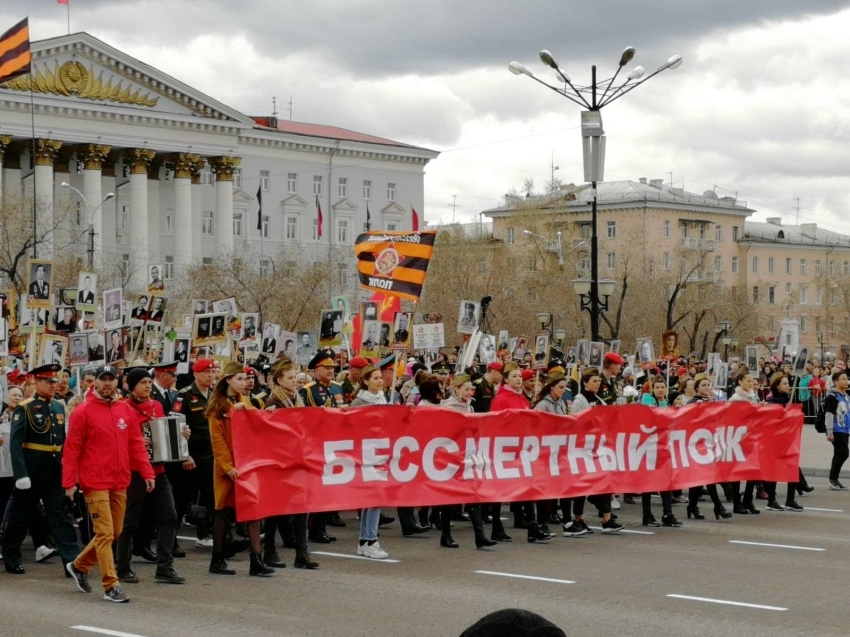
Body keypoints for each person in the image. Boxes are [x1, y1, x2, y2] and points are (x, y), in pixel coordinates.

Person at [63, 364, 154, 603]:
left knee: (114, 532)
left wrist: (147, 471)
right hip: (94, 481)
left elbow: (136, 444)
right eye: (102, 379)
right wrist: (69, 481)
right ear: (95, 383)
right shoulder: (82, 412)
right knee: (104, 533)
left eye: (110, 379)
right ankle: (111, 585)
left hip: (120, 480)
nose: (106, 383)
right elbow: (71, 449)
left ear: (117, 382)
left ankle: (80, 566)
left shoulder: (125, 410)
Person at [2, 365, 80, 576]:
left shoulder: (58, 406)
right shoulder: (25, 407)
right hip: (32, 469)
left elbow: (63, 441)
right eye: (48, 381)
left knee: (59, 514)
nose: (53, 386)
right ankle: (11, 555)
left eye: (55, 382)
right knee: (21, 515)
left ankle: (71, 562)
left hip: (53, 470)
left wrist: (69, 470)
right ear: (36, 382)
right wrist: (21, 474)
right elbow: (16, 442)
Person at [115, 367, 188, 585]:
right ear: (131, 386)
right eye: (142, 382)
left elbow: (166, 432)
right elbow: (117, 439)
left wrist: (182, 435)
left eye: (149, 382)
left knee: (170, 516)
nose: (147, 385)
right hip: (134, 472)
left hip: (158, 470)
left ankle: (164, 567)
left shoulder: (156, 405)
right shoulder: (122, 407)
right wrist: (135, 441)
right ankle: (122, 567)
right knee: (129, 522)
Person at [206, 362, 274, 577]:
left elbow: (256, 424)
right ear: (228, 380)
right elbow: (217, 442)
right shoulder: (217, 406)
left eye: (245, 379)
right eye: (239, 379)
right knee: (223, 512)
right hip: (229, 467)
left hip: (247, 464)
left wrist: (266, 414)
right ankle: (217, 559)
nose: (244, 383)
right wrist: (227, 467)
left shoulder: (244, 401)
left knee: (253, 511)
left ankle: (256, 560)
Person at [261, 358, 320, 570]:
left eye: (295, 377)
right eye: (289, 378)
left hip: (298, 459)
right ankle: (269, 550)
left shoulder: (298, 399)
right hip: (279, 462)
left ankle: (301, 553)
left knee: (302, 505)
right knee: (276, 508)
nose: (294, 381)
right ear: (278, 380)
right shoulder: (273, 403)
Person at [491, 362, 553, 543]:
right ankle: (496, 526)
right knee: (499, 490)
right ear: (506, 380)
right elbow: (496, 424)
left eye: (519, 376)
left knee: (528, 487)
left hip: (523, 450)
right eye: (514, 377)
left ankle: (533, 527)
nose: (519, 379)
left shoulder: (522, 398)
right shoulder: (501, 399)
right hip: (506, 451)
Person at [300, 349, 346, 542]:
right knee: (318, 488)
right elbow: (304, 417)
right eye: (326, 367)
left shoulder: (337, 387)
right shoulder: (308, 389)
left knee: (331, 488)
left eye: (332, 367)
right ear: (316, 369)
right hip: (317, 444)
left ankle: (322, 527)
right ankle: (314, 529)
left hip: (335, 443)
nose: (330, 370)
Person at [349, 364, 394, 559]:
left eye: (380, 378)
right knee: (374, 498)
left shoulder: (385, 399)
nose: (380, 381)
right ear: (366, 381)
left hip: (382, 451)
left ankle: (365, 540)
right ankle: (370, 540)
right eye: (375, 378)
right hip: (366, 453)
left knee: (374, 500)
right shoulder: (359, 402)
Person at [686, 374, 733, 521]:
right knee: (708, 475)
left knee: (700, 479)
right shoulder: (692, 402)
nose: (706, 388)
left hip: (709, 443)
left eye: (708, 385)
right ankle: (718, 506)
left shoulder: (714, 402)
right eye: (703, 385)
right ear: (697, 388)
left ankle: (692, 506)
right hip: (696, 444)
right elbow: (687, 420)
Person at [639, 376, 682, 527]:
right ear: (652, 389)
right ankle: (647, 515)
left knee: (666, 481)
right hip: (649, 448)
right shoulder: (647, 403)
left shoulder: (666, 403)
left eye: (662, 387)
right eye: (657, 387)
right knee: (648, 483)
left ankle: (667, 513)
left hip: (664, 447)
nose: (660, 390)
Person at [763, 373, 804, 512]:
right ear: (777, 386)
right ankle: (771, 501)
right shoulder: (772, 403)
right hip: (775, 442)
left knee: (792, 468)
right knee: (774, 470)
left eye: (788, 383)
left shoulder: (788, 401)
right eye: (785, 383)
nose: (788, 386)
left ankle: (790, 500)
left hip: (789, 442)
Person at [825, 370, 850, 490]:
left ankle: (834, 479)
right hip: (836, 429)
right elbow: (829, 415)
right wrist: (829, 432)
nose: (846, 381)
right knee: (844, 453)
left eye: (847, 379)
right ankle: (832, 478)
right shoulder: (832, 396)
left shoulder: (846, 396)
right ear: (836, 382)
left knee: (838, 454)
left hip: (844, 430)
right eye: (843, 379)